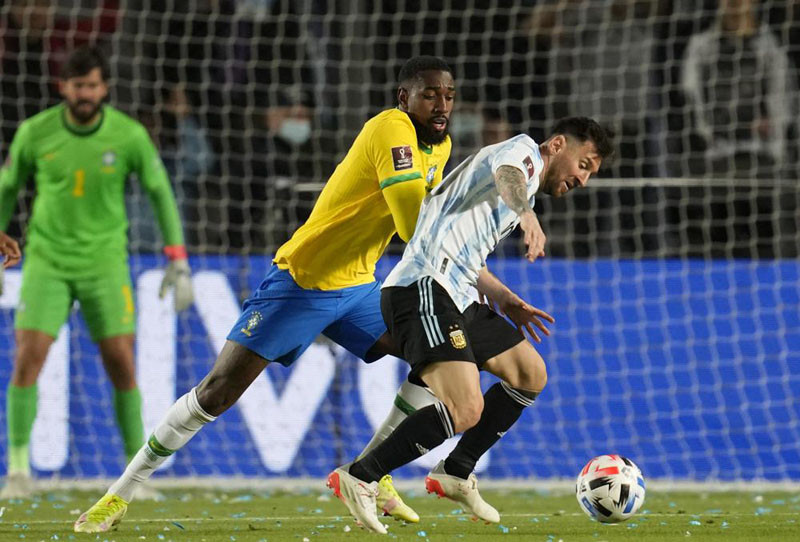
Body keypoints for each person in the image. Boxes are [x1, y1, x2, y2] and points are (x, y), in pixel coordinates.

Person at [73, 55, 522, 534]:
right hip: (303, 282)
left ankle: (375, 472)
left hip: (359, 285)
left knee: (435, 358)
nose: (441, 105)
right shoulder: (391, 129)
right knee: (216, 393)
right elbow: (414, 225)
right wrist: (475, 259)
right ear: (403, 97)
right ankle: (117, 496)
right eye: (429, 93)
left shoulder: (442, 144)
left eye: (448, 95)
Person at [328, 117, 614, 533]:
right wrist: (527, 214)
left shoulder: (519, 184)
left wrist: (503, 297)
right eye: (584, 165)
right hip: (423, 287)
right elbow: (508, 174)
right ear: (557, 144)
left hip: (458, 294)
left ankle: (456, 470)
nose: (583, 180)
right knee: (466, 408)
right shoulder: (523, 155)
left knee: (529, 374)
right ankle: (361, 475)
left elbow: (463, 248)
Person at [0, 46, 194, 499]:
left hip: (105, 264)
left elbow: (160, 192)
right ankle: (19, 471)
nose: (84, 93)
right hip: (47, 260)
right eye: (77, 85)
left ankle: (136, 476)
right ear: (63, 87)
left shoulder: (128, 136)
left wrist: (177, 257)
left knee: (121, 363)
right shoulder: (35, 132)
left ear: (104, 87)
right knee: (29, 357)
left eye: (91, 85)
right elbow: (7, 186)